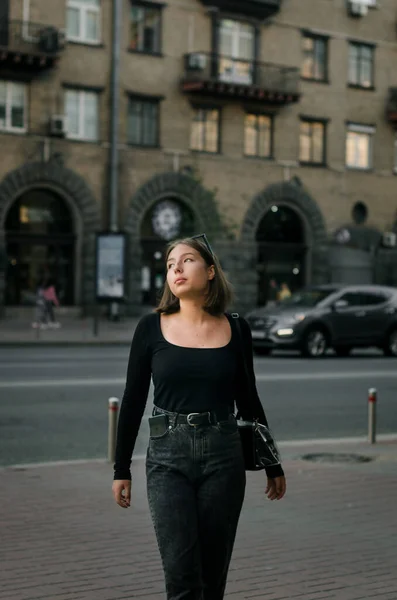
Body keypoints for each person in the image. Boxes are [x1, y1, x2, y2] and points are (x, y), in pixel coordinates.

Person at [112, 234, 286, 600]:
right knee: (181, 574)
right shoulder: (150, 326)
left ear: (210, 271)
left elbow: (249, 397)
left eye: (187, 260)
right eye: (170, 263)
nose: (176, 267)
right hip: (167, 458)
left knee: (212, 575)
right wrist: (121, 468)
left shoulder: (236, 328)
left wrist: (273, 464)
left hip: (224, 456)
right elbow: (132, 399)